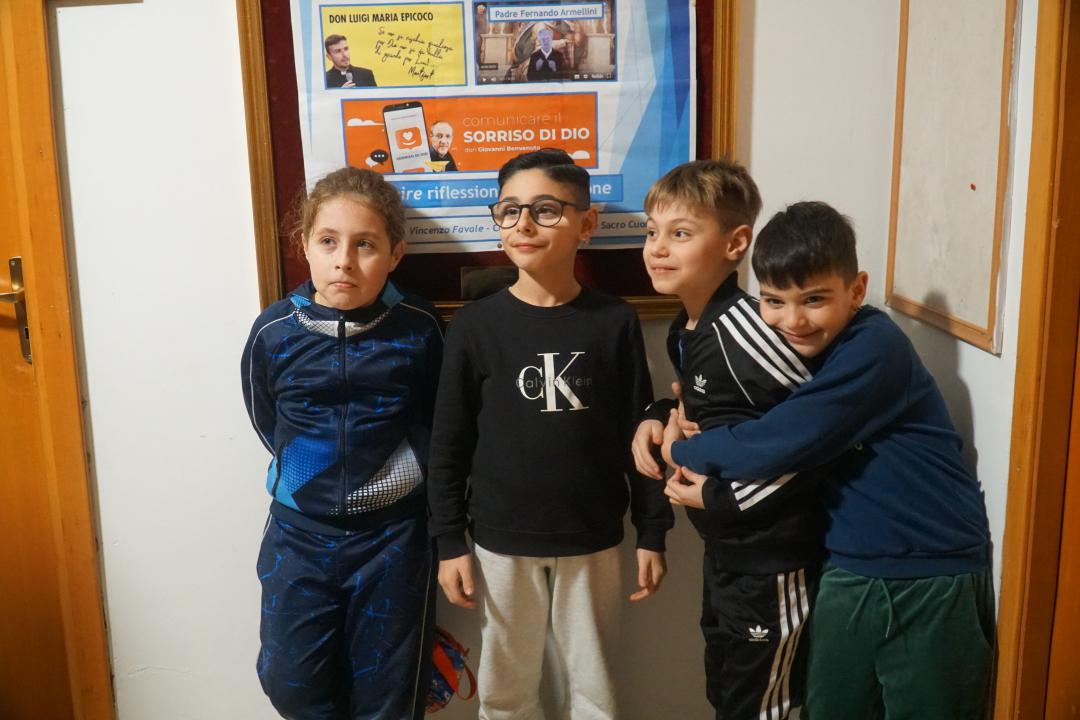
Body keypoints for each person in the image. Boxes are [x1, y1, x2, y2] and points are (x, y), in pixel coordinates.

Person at [662, 201, 994, 720]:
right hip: (845, 564)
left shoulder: (875, 346)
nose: (793, 320)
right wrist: (660, 415)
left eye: (814, 299)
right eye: (773, 301)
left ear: (856, 290)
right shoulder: (801, 350)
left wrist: (679, 451)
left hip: (929, 570)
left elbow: (776, 440)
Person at [428, 148, 673, 720]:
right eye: (509, 210)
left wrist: (653, 530)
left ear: (586, 224)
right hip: (499, 539)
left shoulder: (614, 320)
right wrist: (448, 542)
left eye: (545, 209)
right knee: (506, 689)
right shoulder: (475, 325)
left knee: (595, 686)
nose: (524, 224)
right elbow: (449, 442)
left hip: (593, 536)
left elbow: (639, 433)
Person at [241, 167, 443, 719]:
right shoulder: (274, 331)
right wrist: (311, 477)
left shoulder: (419, 327)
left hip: (394, 540)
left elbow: (436, 422)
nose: (344, 261)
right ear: (304, 245)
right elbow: (265, 418)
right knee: (291, 685)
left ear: (396, 254)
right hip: (298, 535)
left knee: (389, 697)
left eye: (365, 245)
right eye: (328, 242)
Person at [632, 159, 825, 720]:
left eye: (680, 234)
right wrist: (658, 413)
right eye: (652, 231)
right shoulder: (686, 329)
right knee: (728, 692)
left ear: (736, 244)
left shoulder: (747, 333)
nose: (657, 248)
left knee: (762, 705)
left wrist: (719, 496)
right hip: (727, 552)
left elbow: (815, 438)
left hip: (773, 558)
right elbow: (712, 408)